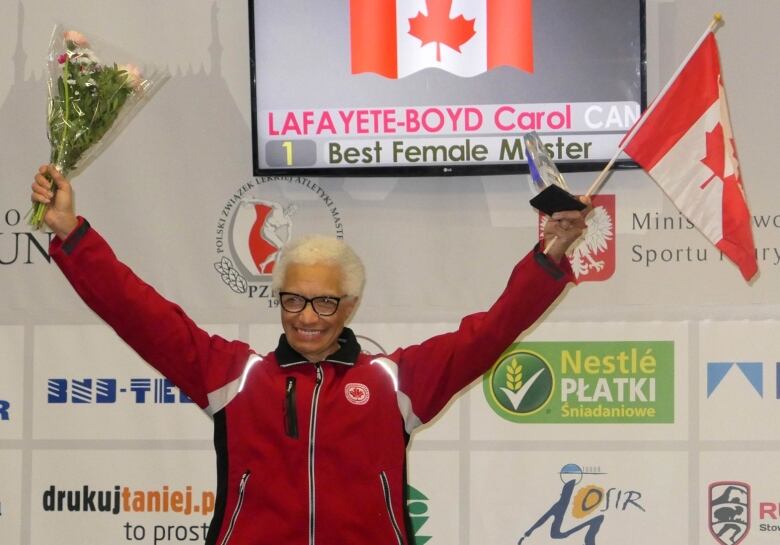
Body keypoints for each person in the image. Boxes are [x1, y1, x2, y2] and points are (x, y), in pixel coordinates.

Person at [31, 164, 590, 545]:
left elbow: (490, 334)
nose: (305, 317)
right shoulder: (234, 379)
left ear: (348, 307)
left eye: (323, 303)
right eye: (293, 299)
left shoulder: (394, 383)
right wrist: (70, 232)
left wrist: (552, 251)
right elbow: (140, 316)